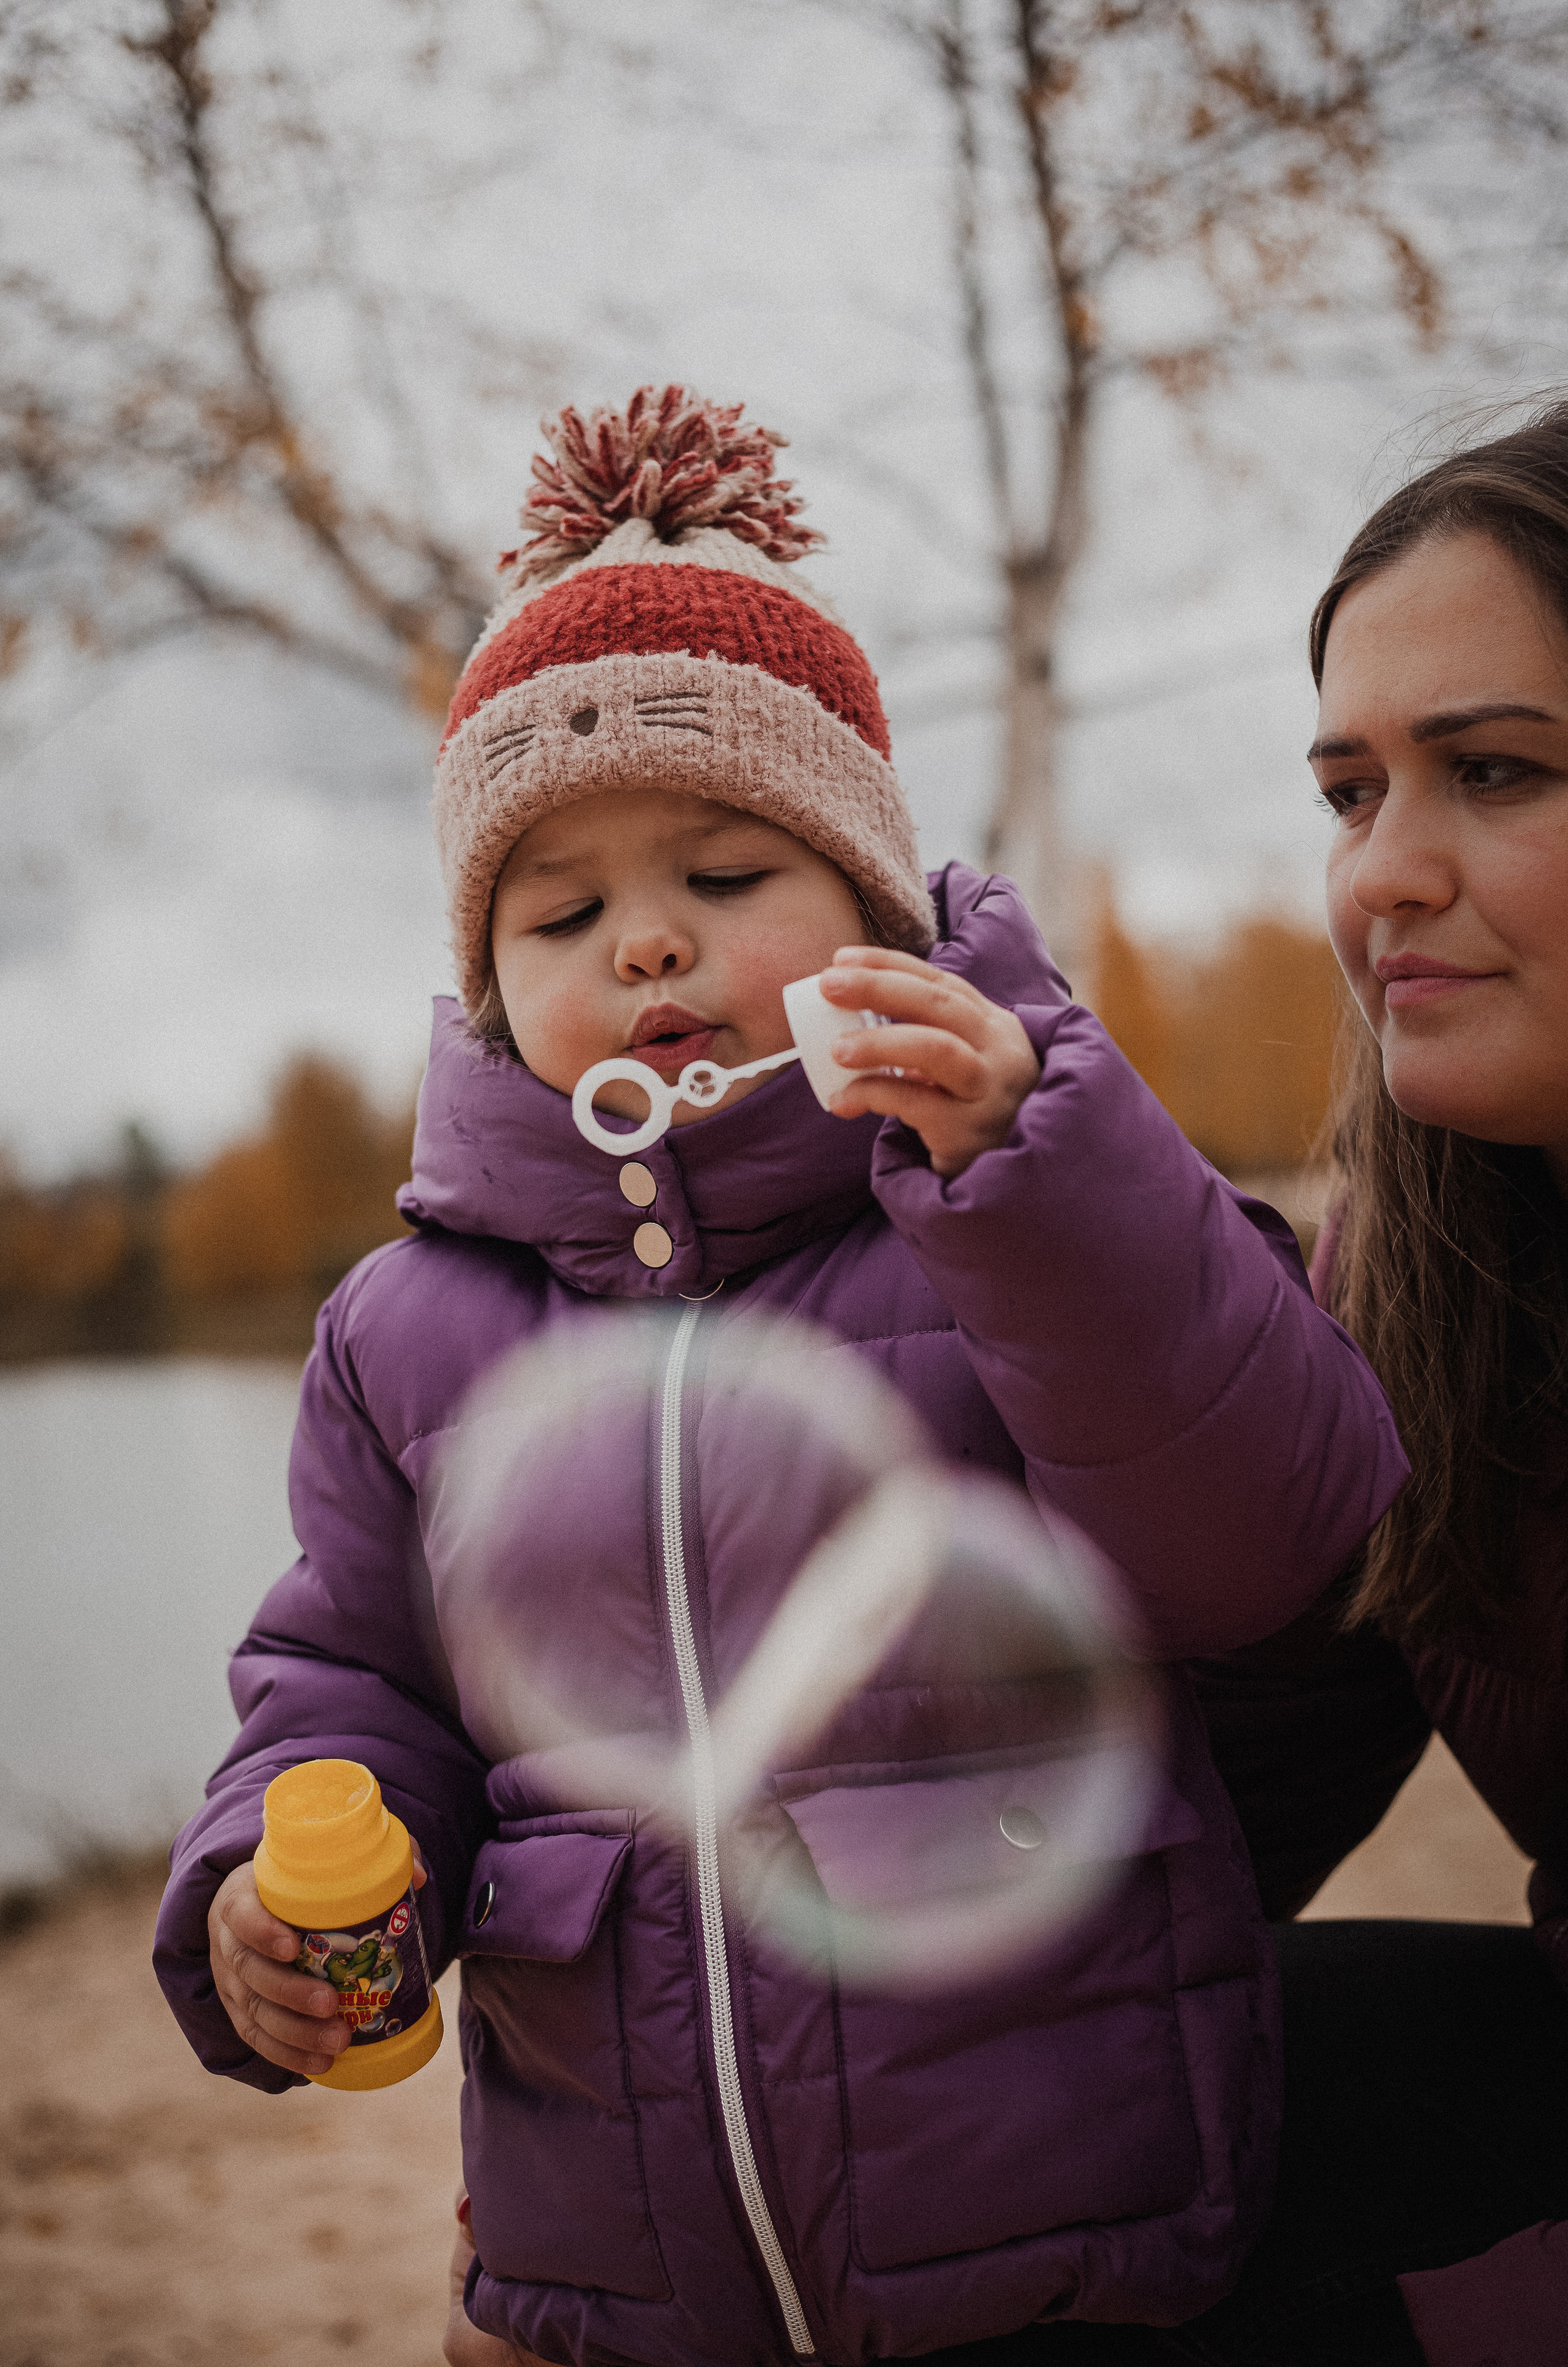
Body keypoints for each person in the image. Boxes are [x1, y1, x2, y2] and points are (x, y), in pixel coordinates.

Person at [151, 386, 1402, 2367]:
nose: (647, 944)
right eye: (564, 913)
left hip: (1073, 2247)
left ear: (879, 908)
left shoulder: (1017, 1201)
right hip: (623, 2288)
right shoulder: (409, 1329)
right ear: (490, 984)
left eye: (729, 878)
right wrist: (273, 1889)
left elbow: (1280, 1535)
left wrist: (1030, 1178)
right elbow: (355, 1682)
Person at [1183, 397, 1568, 2367]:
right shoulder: (1401, 1303)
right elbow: (1205, 1810)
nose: (1381, 881)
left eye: (1494, 771)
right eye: (1350, 794)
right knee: (1148, 2111)